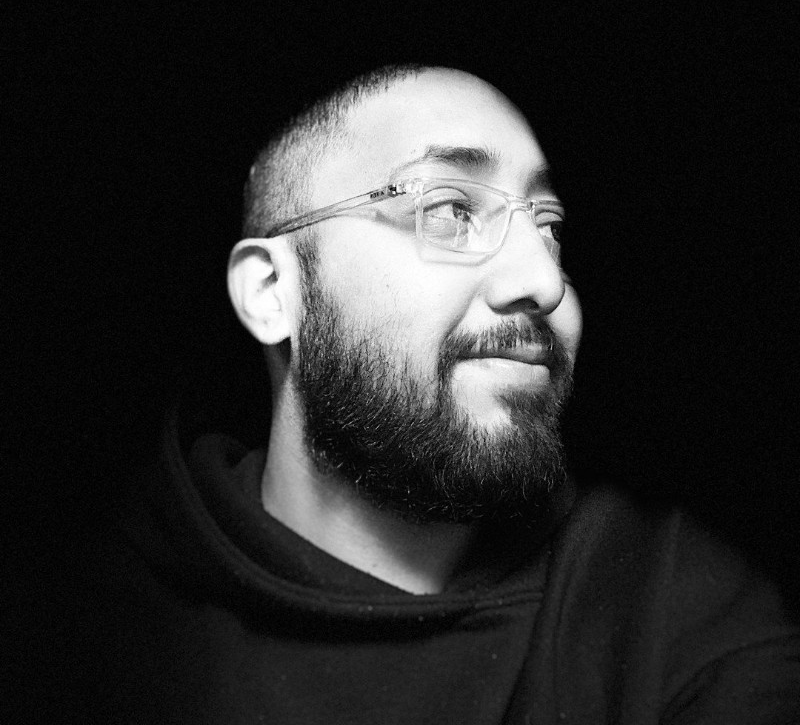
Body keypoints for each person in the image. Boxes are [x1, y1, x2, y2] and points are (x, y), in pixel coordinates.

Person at [9, 64, 800, 723]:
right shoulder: (77, 637)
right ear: (273, 294)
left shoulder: (669, 607)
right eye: (449, 211)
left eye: (549, 226)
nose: (544, 281)